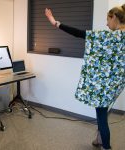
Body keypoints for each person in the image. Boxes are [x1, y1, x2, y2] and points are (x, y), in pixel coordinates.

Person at [45, 4, 125, 150]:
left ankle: (105, 146)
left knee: (101, 117)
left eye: (108, 20)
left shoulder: (108, 36)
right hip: (116, 85)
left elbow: (79, 33)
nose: (107, 24)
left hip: (103, 86)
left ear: (114, 17)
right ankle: (99, 139)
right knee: (103, 113)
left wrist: (55, 22)